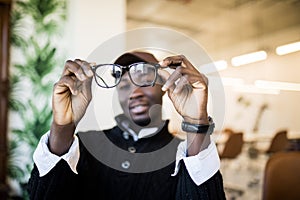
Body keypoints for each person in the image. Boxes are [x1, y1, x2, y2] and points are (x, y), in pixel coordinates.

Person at [27, 51, 226, 200]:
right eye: (123, 86)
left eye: (145, 81)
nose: (134, 92)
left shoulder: (183, 154)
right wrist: (63, 126)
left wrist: (196, 122)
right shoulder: (84, 146)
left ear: (164, 87)